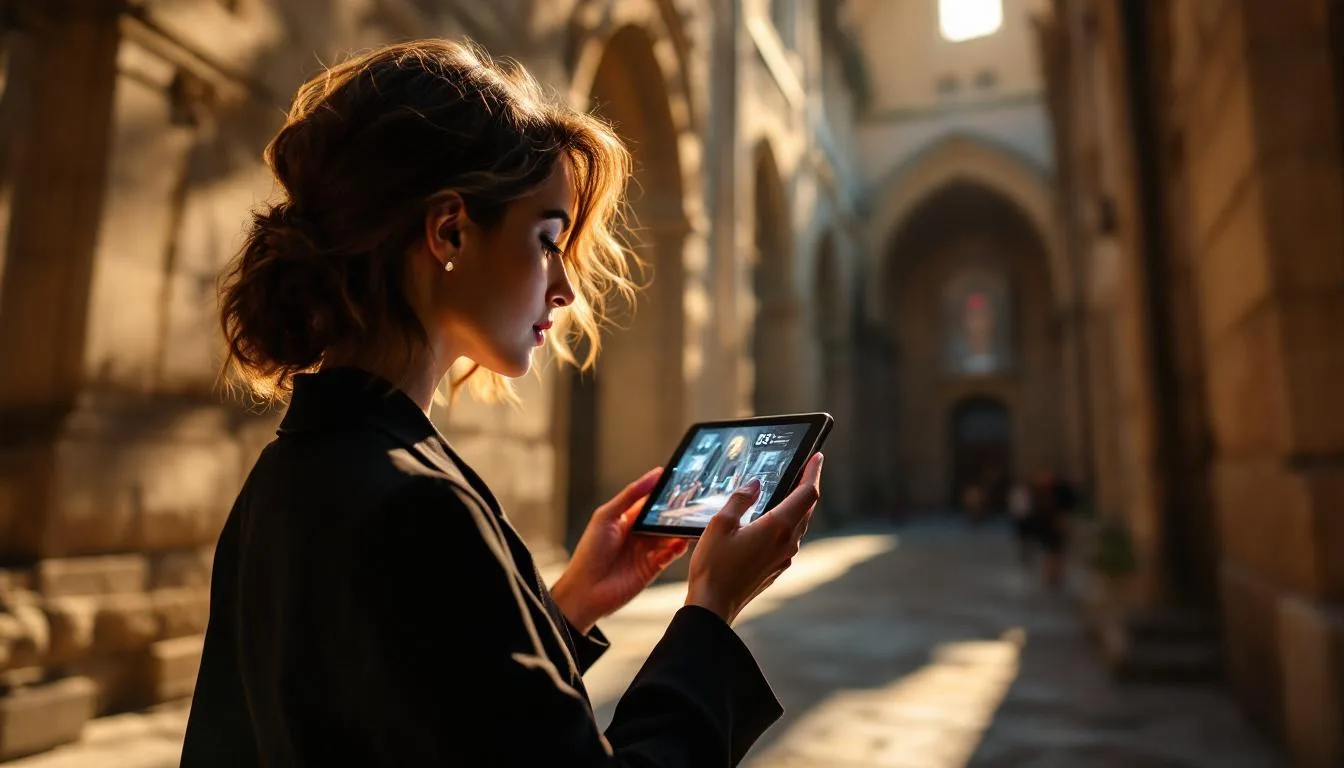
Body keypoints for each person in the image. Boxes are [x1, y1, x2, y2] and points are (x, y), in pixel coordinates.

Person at [180, 40, 824, 767]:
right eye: (549, 240)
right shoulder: (415, 503)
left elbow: (421, 710)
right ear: (449, 229)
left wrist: (570, 603)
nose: (566, 289)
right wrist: (710, 611)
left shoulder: (290, 471)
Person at [1007, 476, 1034, 566]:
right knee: (1020, 536)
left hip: (1027, 517)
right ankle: (1022, 553)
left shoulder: (1027, 493)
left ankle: (1027, 553)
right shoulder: (1015, 493)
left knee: (1027, 536)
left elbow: (1029, 504)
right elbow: (1013, 504)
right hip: (1018, 517)